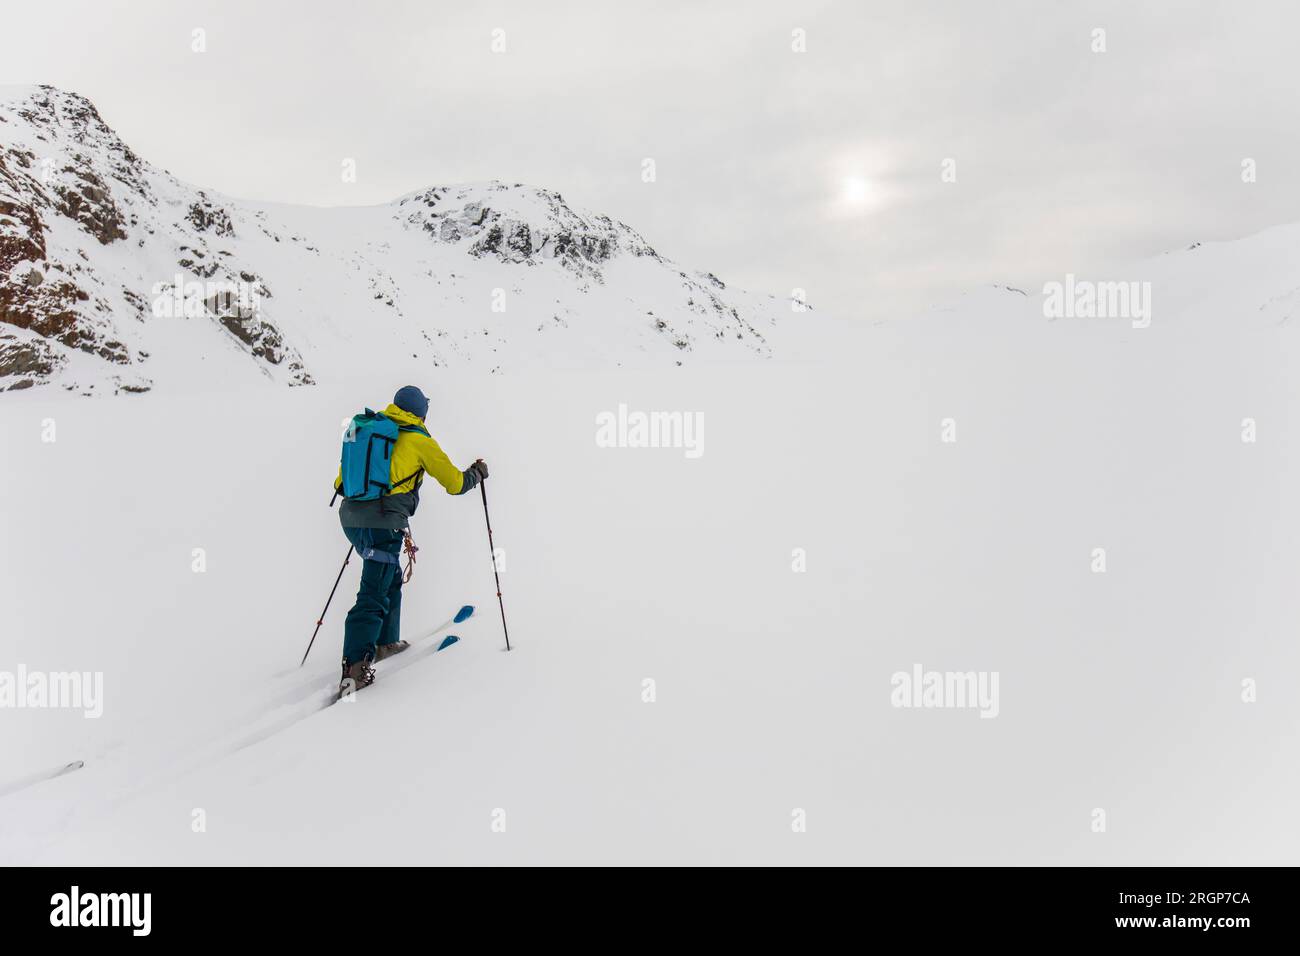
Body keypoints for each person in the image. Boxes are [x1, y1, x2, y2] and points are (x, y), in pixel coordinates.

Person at [333, 385, 487, 694]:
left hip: (352, 518)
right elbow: (455, 484)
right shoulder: (419, 440)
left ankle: (385, 642)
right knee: (374, 591)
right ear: (421, 412)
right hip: (383, 523)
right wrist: (476, 474)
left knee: (387, 576)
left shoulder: (371, 431)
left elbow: (340, 482)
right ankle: (354, 669)